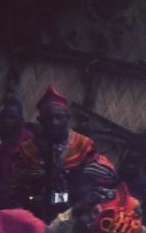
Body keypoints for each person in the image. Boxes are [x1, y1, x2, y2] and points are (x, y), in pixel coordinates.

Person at [12, 86, 98, 221]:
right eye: (49, 118)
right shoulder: (27, 150)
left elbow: (94, 180)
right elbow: (16, 186)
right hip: (36, 214)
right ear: (40, 121)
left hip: (76, 214)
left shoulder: (83, 145)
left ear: (68, 118)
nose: (54, 122)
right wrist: (31, 200)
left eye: (59, 117)